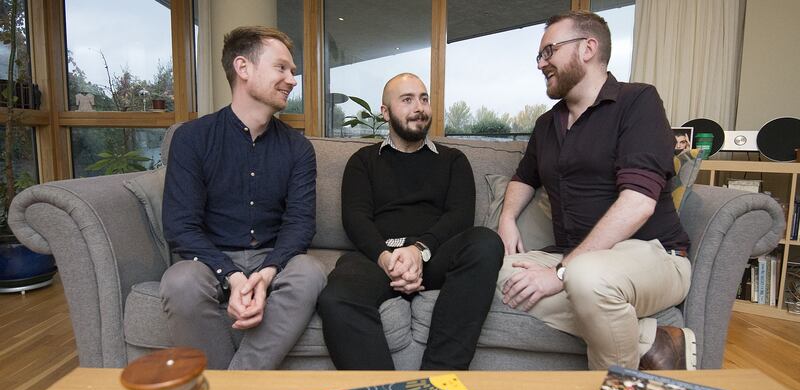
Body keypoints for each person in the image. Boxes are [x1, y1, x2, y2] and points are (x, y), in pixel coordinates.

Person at [496, 11, 696, 371]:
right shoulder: (547, 124)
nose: (542, 63)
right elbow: (524, 177)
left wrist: (559, 274)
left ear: (587, 48)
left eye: (549, 51)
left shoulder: (638, 102)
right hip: (574, 256)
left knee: (586, 277)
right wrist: (507, 219)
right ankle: (650, 340)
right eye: (540, 56)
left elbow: (638, 204)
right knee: (484, 272)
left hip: (654, 255)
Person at [160, 26, 326, 370]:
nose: (292, 80)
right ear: (243, 68)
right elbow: (181, 226)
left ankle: (233, 386)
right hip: (208, 259)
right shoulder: (192, 138)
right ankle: (238, 389)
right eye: (282, 68)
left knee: (310, 272)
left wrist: (266, 274)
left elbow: (299, 225)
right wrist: (232, 275)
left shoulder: (298, 148)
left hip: (272, 257)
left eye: (292, 71)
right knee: (180, 281)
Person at [317, 73, 504, 370]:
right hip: (378, 258)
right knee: (336, 298)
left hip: (433, 256)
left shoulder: (453, 160)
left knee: (486, 242)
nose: (419, 107)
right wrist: (387, 260)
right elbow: (355, 219)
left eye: (424, 98)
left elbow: (459, 217)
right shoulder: (363, 161)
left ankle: (438, 380)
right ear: (385, 112)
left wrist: (419, 251)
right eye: (407, 100)